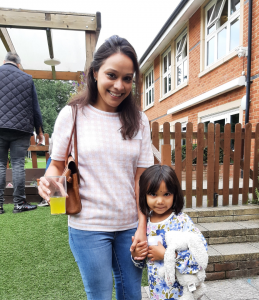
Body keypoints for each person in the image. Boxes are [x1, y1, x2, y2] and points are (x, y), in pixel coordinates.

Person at [38, 36, 153, 300]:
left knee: (131, 294)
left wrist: (142, 225)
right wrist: (48, 183)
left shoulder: (140, 120)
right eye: (111, 75)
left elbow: (142, 178)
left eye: (127, 78)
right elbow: (56, 164)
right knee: (99, 295)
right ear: (94, 73)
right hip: (87, 226)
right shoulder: (73, 114)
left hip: (129, 225)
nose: (119, 85)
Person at [131, 165, 208, 299]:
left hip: (182, 295)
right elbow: (143, 263)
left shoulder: (181, 221)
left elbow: (201, 254)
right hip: (157, 294)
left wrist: (168, 255)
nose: (160, 201)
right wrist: (137, 255)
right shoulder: (146, 225)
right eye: (153, 194)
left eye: (166, 194)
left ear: (175, 194)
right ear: (144, 195)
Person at [0, 52, 43, 214]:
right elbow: (35, 108)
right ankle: (19, 203)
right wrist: (39, 131)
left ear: (4, 62)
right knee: (18, 163)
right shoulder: (26, 78)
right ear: (19, 65)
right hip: (21, 129)